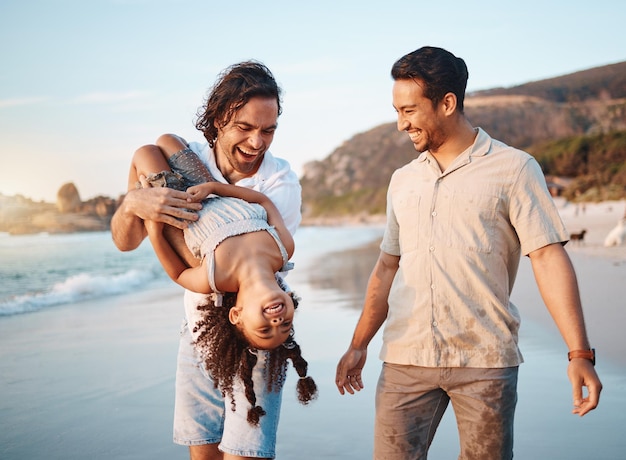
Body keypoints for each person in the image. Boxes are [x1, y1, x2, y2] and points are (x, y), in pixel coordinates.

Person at [335, 46, 602, 460]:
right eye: (396, 110)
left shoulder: (513, 169)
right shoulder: (402, 180)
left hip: (485, 359)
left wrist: (580, 353)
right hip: (405, 359)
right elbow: (388, 267)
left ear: (447, 103)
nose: (400, 123)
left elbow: (549, 258)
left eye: (409, 110)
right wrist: (358, 344)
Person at [112, 61, 310, 460]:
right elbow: (122, 241)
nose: (257, 143)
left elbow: (187, 259)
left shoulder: (281, 181)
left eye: (268, 130)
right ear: (219, 119)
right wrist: (136, 202)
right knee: (201, 447)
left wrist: (160, 223)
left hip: (250, 329)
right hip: (197, 327)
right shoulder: (193, 155)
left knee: (246, 450)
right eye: (245, 127)